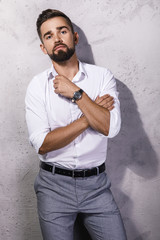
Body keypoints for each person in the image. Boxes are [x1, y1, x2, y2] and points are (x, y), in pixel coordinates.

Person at [25, 9, 127, 240]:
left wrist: (77, 94)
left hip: (97, 187)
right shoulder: (37, 86)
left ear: (75, 37)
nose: (57, 38)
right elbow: (42, 144)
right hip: (53, 188)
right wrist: (89, 115)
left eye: (62, 31)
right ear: (43, 47)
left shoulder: (102, 77)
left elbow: (110, 128)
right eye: (49, 36)